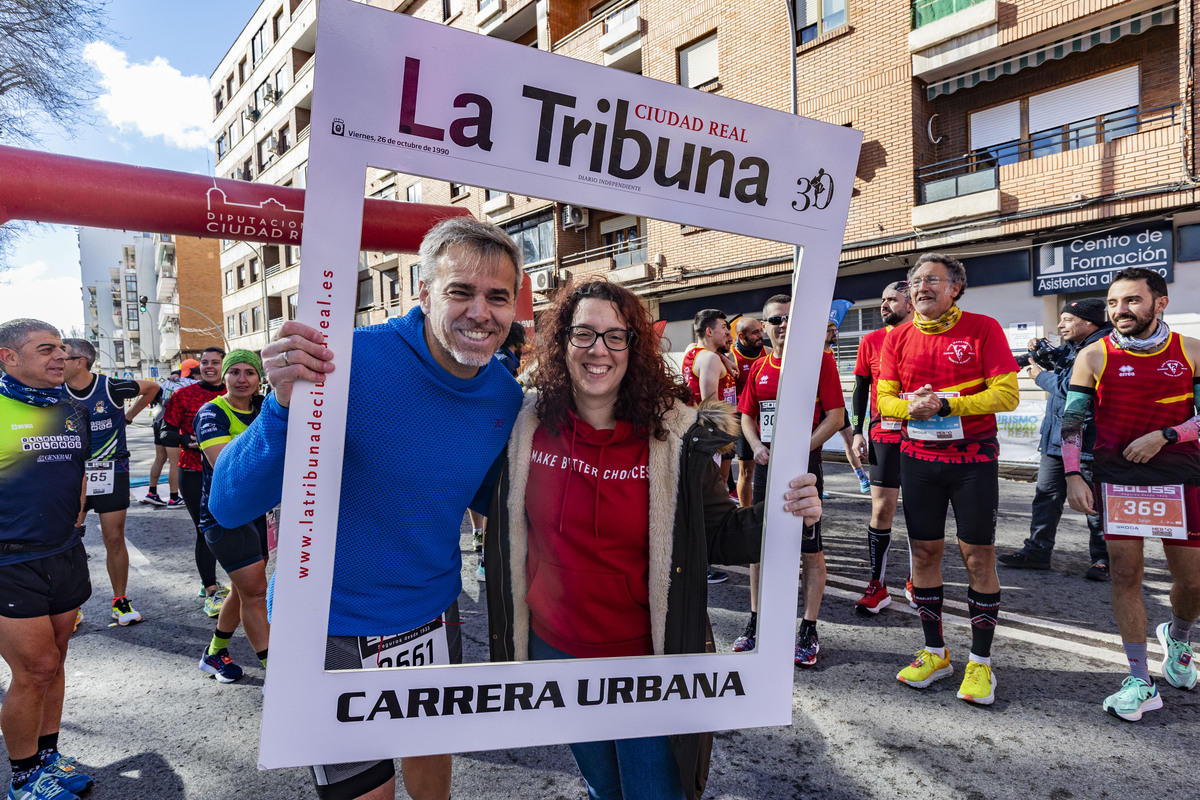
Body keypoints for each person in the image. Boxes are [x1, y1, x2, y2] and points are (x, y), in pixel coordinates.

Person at [210, 216, 525, 800]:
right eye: (461, 291)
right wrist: (281, 407)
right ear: (423, 292)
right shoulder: (340, 363)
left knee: (434, 783)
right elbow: (228, 505)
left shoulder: (505, 396)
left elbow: (487, 497)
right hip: (327, 625)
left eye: (497, 297)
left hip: (434, 616)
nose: (481, 312)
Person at [483, 280, 822, 800]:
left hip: (646, 662)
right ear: (560, 344)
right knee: (603, 789)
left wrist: (790, 518)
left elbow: (718, 534)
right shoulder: (523, 424)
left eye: (616, 337)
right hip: (556, 653)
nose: (599, 350)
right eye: (584, 334)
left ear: (635, 348)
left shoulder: (677, 435)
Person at [878, 253, 1019, 706]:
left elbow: (1007, 394)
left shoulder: (983, 328)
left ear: (955, 286)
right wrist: (911, 408)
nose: (920, 287)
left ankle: (980, 663)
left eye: (931, 280)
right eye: (915, 280)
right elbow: (884, 400)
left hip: (973, 461)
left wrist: (945, 405)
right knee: (923, 552)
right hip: (918, 459)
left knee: (978, 558)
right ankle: (935, 651)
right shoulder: (896, 337)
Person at [1064, 267, 1200, 722]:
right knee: (1125, 577)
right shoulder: (1093, 355)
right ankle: (1140, 679)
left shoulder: (1191, 351)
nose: (1120, 310)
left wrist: (1166, 435)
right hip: (1118, 479)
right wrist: (1073, 477)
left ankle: (1178, 638)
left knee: (1194, 581)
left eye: (1132, 301)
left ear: (1160, 303)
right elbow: (1071, 424)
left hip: (1183, 477)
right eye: (1113, 303)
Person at [0, 319, 97, 800]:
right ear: (9, 357)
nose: (61, 356)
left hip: (64, 552)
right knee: (34, 668)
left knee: (55, 663)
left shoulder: (67, 408)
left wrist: (76, 517)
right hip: (10, 564)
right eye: (46, 349)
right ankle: (23, 778)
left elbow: (78, 472)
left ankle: (47, 759)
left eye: (62, 348)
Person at [734, 295, 844, 664]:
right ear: (764, 327)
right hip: (767, 466)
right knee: (759, 546)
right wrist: (755, 446)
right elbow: (747, 416)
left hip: (803, 468)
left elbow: (835, 416)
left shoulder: (819, 362)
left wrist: (799, 450)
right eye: (775, 320)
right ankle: (756, 621)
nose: (782, 325)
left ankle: (808, 628)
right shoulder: (760, 367)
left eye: (788, 319)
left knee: (809, 548)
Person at [999, 298, 1111, 579]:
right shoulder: (1072, 347)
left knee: (1092, 504)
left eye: (1068, 320)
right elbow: (1055, 362)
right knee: (1045, 498)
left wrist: (1039, 375)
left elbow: (1067, 386)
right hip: (1055, 439)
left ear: (1089, 322)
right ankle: (1036, 552)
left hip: (1087, 441)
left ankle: (1103, 560)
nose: (1060, 325)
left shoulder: (1100, 349)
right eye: (1060, 319)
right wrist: (1035, 354)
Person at [62, 339, 158, 626]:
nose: (56, 360)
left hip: (111, 470)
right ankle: (71, 606)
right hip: (71, 474)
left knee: (114, 538)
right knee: (69, 538)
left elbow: (152, 389)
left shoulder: (112, 387)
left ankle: (120, 600)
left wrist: (127, 417)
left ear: (80, 361)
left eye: (62, 356)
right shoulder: (53, 389)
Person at [194, 350, 269, 683]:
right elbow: (224, 465)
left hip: (258, 512)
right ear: (223, 377)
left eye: (249, 373)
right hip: (224, 514)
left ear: (259, 378)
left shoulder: (266, 406)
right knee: (255, 593)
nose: (242, 379)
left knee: (243, 590)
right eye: (234, 372)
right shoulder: (212, 411)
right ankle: (277, 676)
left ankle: (214, 653)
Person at [850, 281, 914, 614]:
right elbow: (861, 388)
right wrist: (858, 431)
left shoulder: (926, 338)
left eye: (892, 299)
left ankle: (919, 580)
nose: (884, 304)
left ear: (911, 304)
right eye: (882, 298)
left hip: (923, 435)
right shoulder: (871, 340)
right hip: (883, 433)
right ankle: (878, 584)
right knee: (882, 509)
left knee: (920, 509)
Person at [162, 347, 229, 616]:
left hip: (230, 471)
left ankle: (232, 583)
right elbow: (165, 431)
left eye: (215, 362)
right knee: (205, 530)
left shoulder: (238, 392)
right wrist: (185, 441)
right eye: (205, 362)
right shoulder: (183, 395)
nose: (209, 367)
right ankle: (210, 589)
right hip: (193, 471)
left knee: (238, 530)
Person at [680, 309, 737, 583]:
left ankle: (700, 559)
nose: (729, 332)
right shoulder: (710, 359)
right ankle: (700, 563)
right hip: (708, 439)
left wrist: (725, 356)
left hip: (698, 438)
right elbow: (709, 405)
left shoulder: (693, 351)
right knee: (706, 502)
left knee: (700, 499)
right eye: (724, 327)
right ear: (709, 331)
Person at [471, 320, 528, 580]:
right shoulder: (504, 363)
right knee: (497, 502)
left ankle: (479, 541)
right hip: (496, 446)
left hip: (481, 446)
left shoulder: (488, 359)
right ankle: (486, 561)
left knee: (484, 499)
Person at [824, 301, 870, 494]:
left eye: (836, 330)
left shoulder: (831, 352)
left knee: (850, 438)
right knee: (815, 445)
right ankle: (819, 483)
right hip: (820, 407)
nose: (835, 333)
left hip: (837, 406)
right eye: (830, 330)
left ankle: (862, 478)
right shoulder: (815, 354)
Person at [143, 366, 197, 508]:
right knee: (175, 462)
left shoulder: (169, 382)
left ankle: (152, 492)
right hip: (173, 423)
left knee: (160, 458)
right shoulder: (191, 384)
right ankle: (174, 497)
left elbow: (156, 394)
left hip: (159, 421)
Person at [730, 316, 767, 509]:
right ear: (742, 336)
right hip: (744, 419)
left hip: (767, 418)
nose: (760, 335)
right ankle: (745, 514)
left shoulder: (768, 352)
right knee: (747, 471)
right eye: (755, 333)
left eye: (761, 331)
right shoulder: (731, 357)